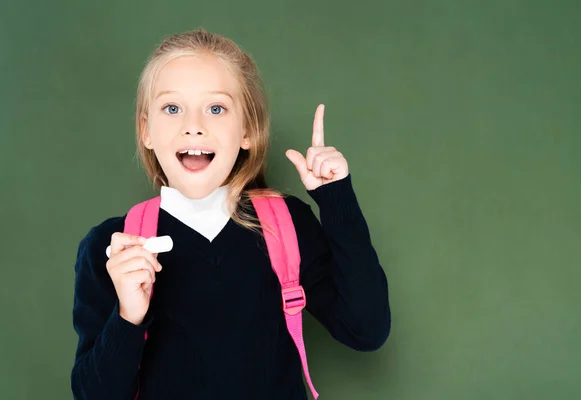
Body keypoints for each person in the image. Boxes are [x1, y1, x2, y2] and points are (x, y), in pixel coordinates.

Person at [71, 27, 390, 400]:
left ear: (248, 132)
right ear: (146, 130)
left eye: (216, 108)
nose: (194, 126)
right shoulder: (111, 249)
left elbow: (366, 330)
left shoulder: (288, 225)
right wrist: (127, 317)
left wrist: (337, 200)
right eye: (172, 108)